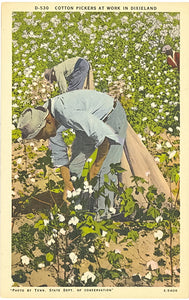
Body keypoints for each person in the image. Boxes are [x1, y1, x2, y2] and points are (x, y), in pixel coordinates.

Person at [17, 90, 127, 220]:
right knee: (75, 169)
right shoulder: (45, 115)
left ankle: (103, 218)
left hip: (111, 118)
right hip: (87, 123)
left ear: (48, 121)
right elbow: (60, 156)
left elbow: (104, 138)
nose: (42, 139)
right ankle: (78, 210)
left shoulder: (67, 113)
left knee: (105, 171)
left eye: (42, 135)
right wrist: (67, 183)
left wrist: (95, 168)